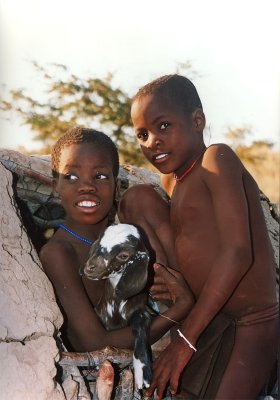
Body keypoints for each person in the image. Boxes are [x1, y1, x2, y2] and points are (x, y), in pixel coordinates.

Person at [119, 74, 279, 399]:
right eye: (142, 134)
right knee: (136, 201)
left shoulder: (215, 159)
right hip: (205, 318)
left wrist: (185, 340)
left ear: (197, 121)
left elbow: (238, 252)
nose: (153, 141)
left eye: (164, 126)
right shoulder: (171, 185)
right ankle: (178, 306)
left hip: (253, 322)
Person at [39, 126, 194, 353]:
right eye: (71, 177)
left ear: (117, 187)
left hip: (166, 328)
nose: (87, 186)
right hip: (126, 356)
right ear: (56, 187)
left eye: (100, 176)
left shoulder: (127, 236)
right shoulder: (59, 253)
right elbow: (93, 342)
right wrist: (181, 309)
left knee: (142, 199)